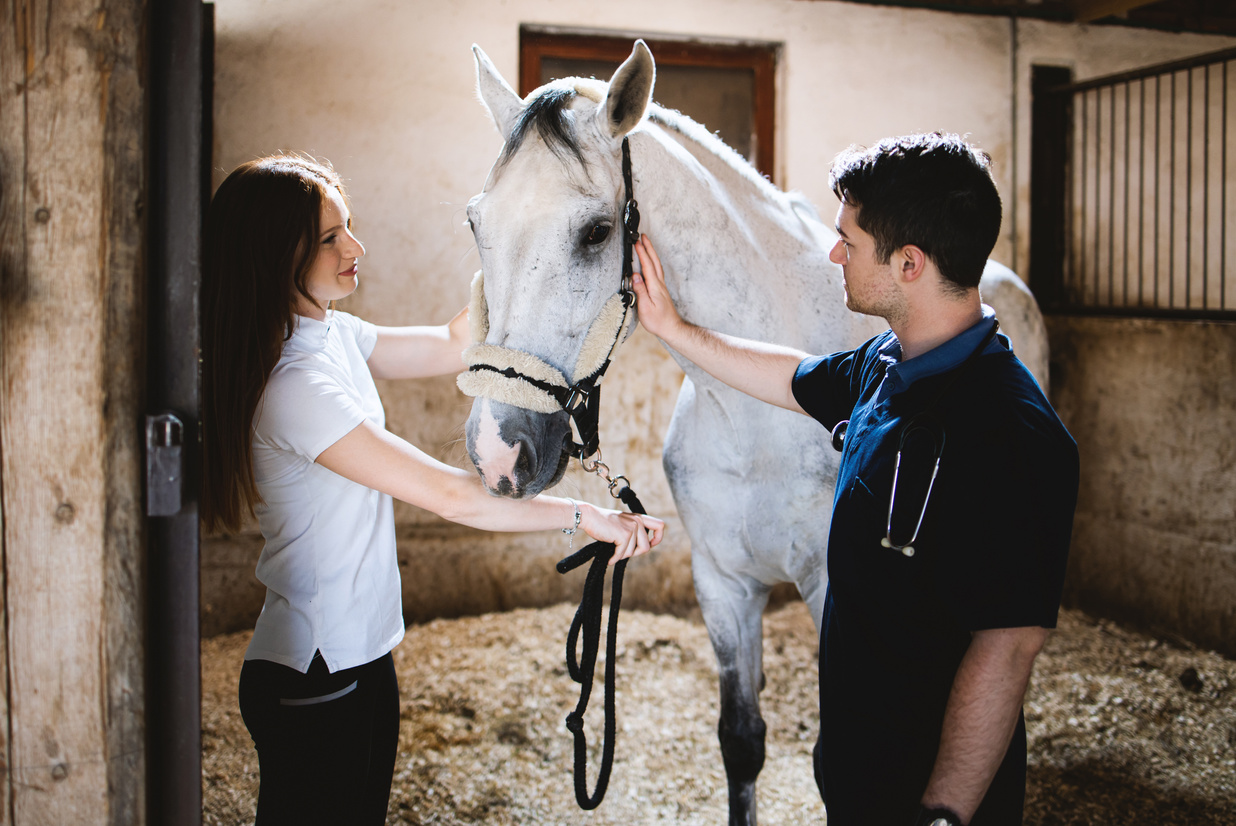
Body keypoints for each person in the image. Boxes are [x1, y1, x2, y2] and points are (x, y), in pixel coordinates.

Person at [200, 154, 664, 826]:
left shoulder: (330, 335)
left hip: (362, 656)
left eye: (347, 226)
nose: (355, 247)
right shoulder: (293, 386)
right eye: (330, 238)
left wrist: (529, 248)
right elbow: (450, 495)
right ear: (276, 255)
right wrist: (582, 516)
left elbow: (454, 343)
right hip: (314, 670)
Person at [631, 132, 1078, 826]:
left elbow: (1006, 648)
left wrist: (944, 813)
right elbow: (788, 375)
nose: (832, 254)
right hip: (856, 768)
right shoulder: (884, 364)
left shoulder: (1016, 432)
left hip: (927, 792)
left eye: (848, 241)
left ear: (908, 263)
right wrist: (674, 328)